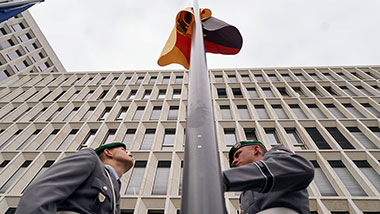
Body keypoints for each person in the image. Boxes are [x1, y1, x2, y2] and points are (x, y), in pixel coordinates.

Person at [15, 142, 134, 214]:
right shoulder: (90, 159)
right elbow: (40, 193)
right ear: (108, 152)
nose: (130, 154)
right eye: (123, 150)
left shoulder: (116, 187)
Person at [222, 140, 315, 214]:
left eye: (238, 155)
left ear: (256, 149)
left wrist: (224, 179)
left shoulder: (276, 155)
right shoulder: (244, 194)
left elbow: (302, 169)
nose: (234, 161)